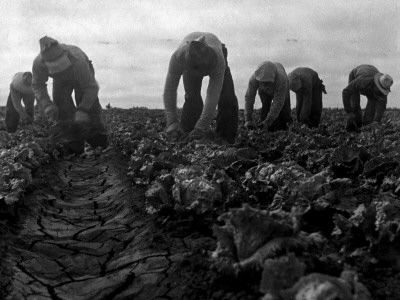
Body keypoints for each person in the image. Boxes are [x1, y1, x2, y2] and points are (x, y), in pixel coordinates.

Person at [32, 36, 108, 154]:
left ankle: (100, 144)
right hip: (59, 80)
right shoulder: (38, 64)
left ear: (66, 56)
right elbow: (37, 85)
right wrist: (47, 104)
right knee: (61, 108)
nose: (61, 70)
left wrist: (82, 109)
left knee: (89, 109)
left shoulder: (78, 59)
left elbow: (91, 87)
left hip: (80, 76)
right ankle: (73, 147)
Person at [163, 32, 239, 144]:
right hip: (190, 60)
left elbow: (213, 94)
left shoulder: (218, 59)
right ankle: (189, 136)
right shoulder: (177, 58)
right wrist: (172, 123)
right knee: (192, 97)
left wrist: (202, 126)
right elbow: (170, 89)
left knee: (227, 97)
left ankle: (225, 139)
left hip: (217, 52)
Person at [342, 64, 393, 131]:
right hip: (356, 75)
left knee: (371, 111)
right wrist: (348, 112)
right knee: (354, 104)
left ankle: (365, 127)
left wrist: (376, 121)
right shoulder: (362, 81)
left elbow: (382, 106)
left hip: (370, 76)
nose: (380, 93)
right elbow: (345, 92)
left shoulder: (384, 88)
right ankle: (352, 127)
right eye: (379, 90)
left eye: (382, 91)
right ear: (376, 84)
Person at [244, 61, 292, 131]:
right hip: (264, 90)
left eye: (267, 83)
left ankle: (284, 130)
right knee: (265, 107)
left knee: (285, 111)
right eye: (262, 82)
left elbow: (278, 102)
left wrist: (268, 121)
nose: (265, 86)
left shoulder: (282, 81)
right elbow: (249, 98)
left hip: (281, 86)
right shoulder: (254, 78)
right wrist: (248, 119)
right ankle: (264, 129)